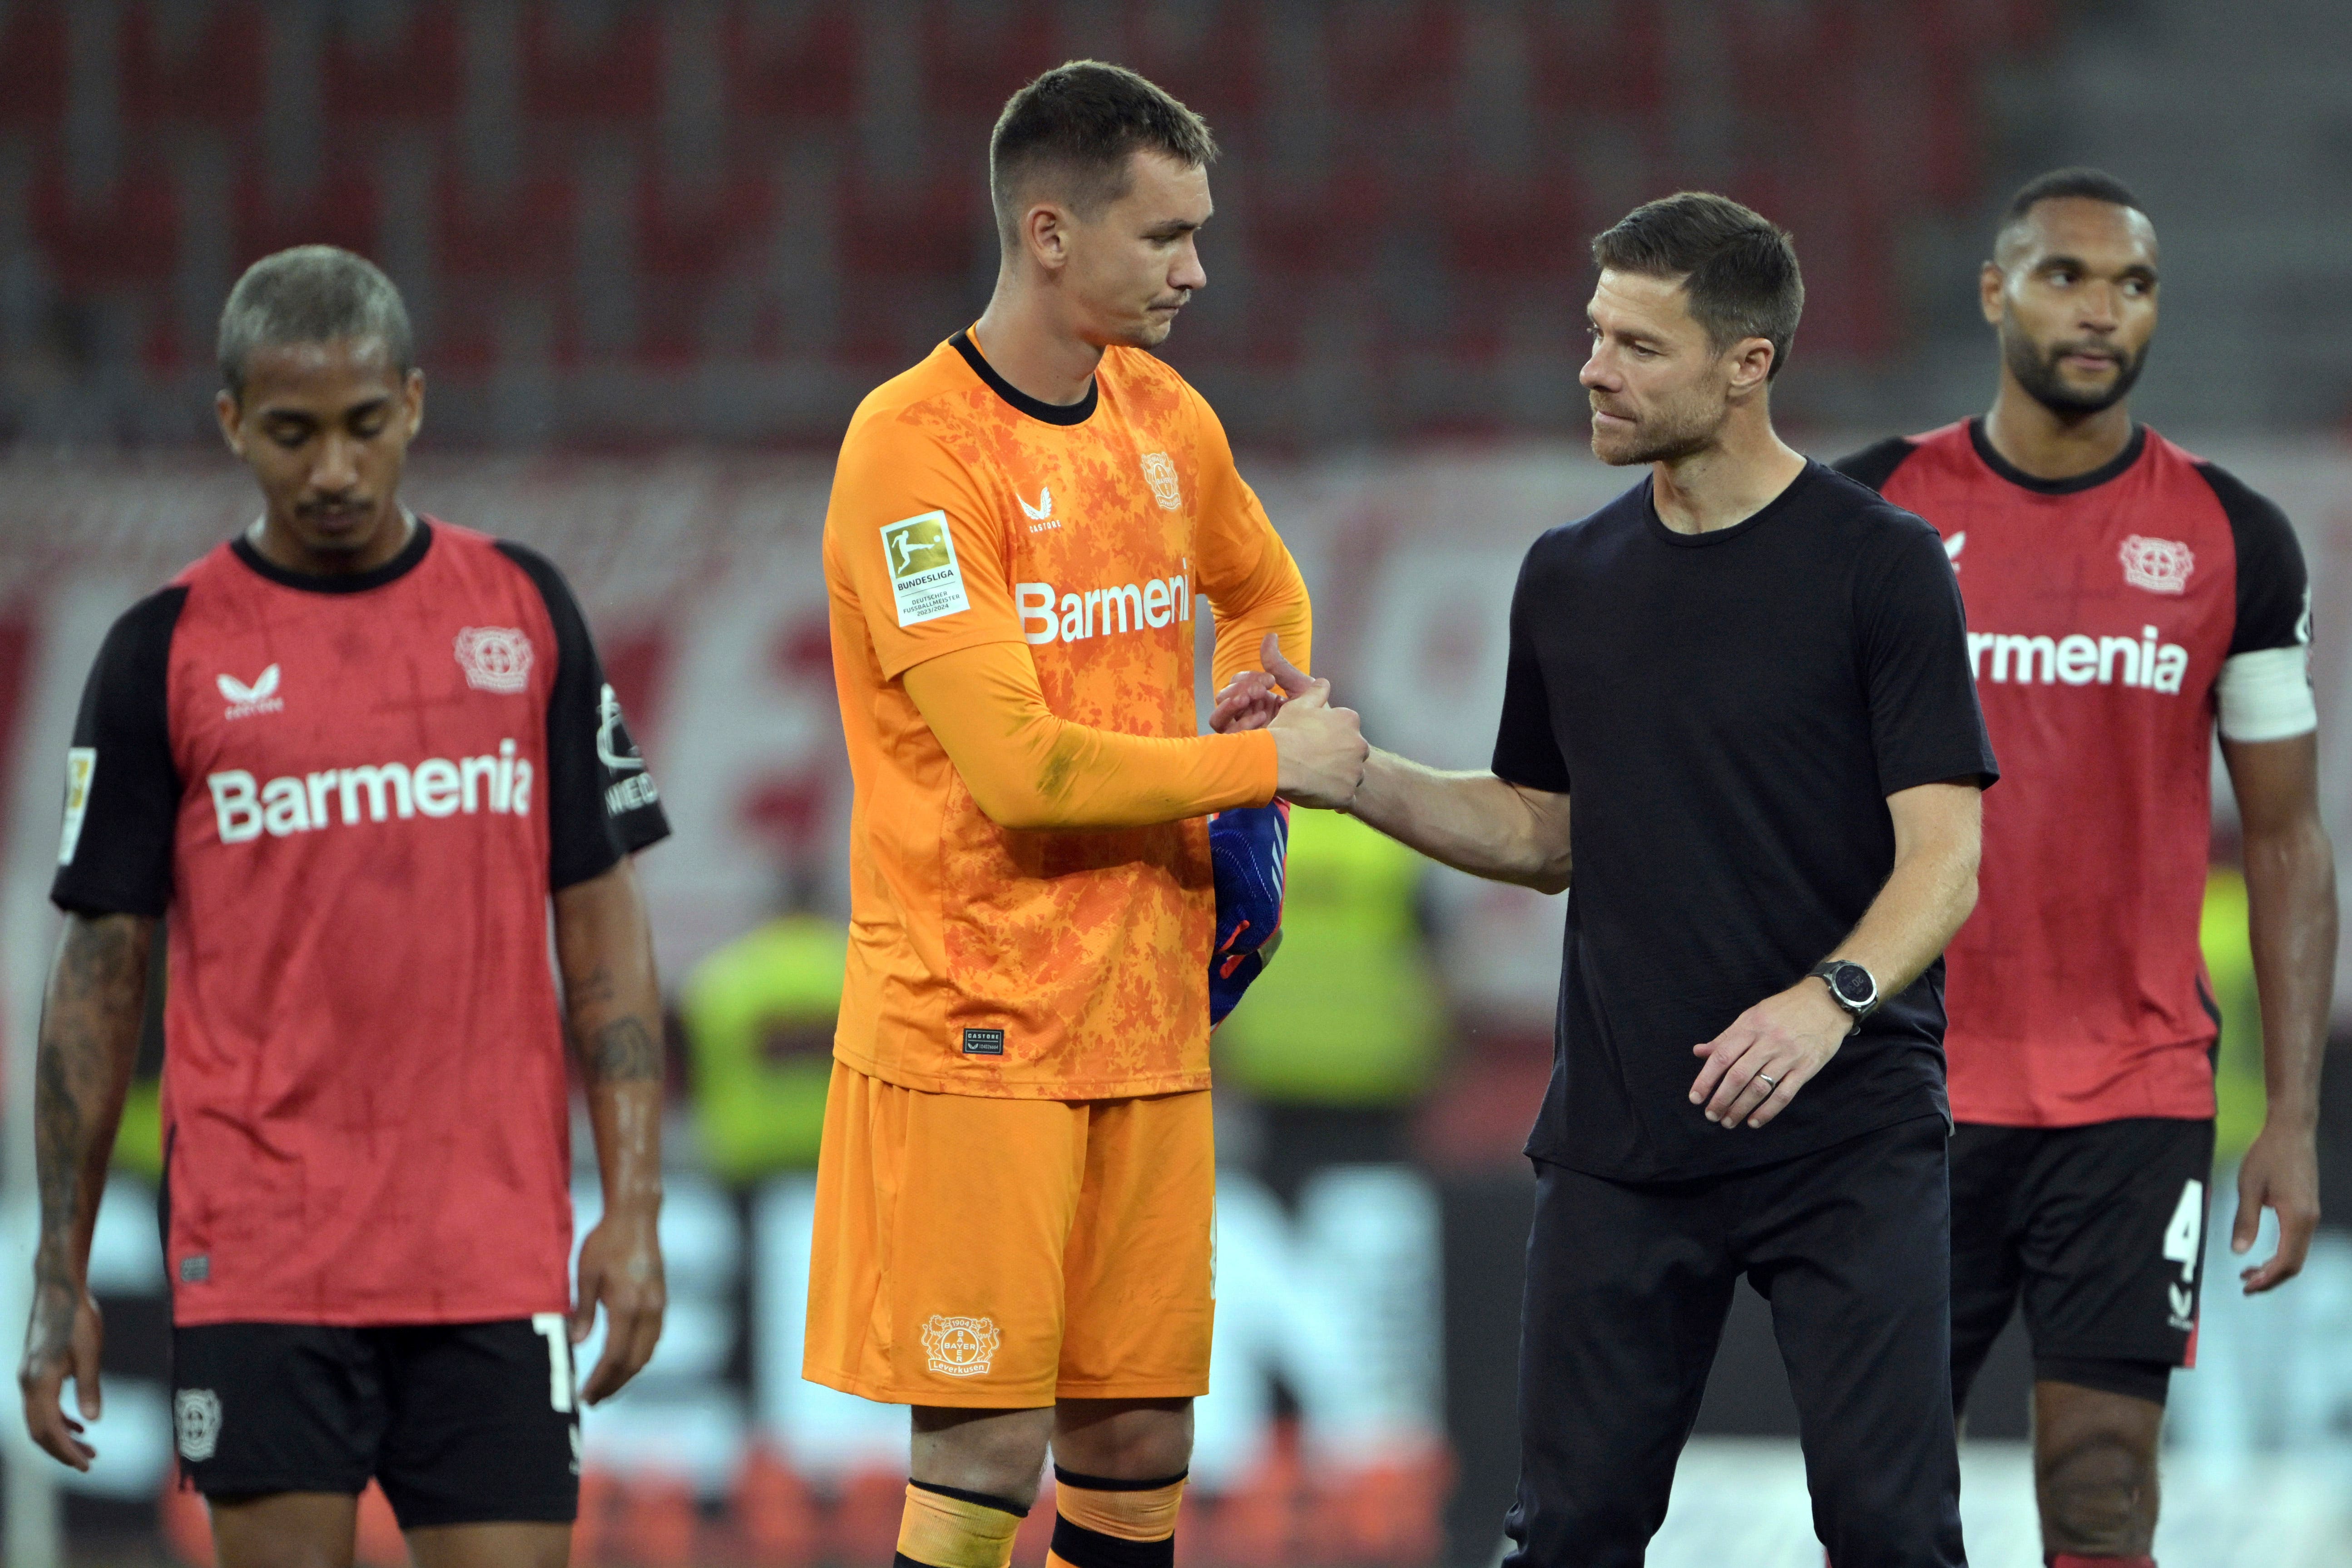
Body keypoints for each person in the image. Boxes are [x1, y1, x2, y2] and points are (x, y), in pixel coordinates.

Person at [1226, 192, 1997, 1566]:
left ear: (1744, 364)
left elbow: (1945, 861)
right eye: (1594, 334)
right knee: (1568, 1533)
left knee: (1890, 1531)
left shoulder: (1877, 567)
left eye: (1638, 345)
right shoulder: (1570, 575)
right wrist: (1352, 775)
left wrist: (1824, 1003)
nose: (1592, 367)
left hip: (1848, 1132)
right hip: (1625, 1139)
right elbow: (1542, 831)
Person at [16, 247, 672, 1568]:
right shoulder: (163, 651)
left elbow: (598, 916)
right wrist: (58, 1269)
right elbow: (99, 974)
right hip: (260, 1255)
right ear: (230, 424)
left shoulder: (525, 610)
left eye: (364, 426)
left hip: (489, 1253)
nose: (330, 470)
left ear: (415, 406)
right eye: (292, 432)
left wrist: (637, 1205)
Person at [805, 61, 1366, 1568]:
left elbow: (1260, 589)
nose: (1198, 269)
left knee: (1136, 1442)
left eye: (1199, 233)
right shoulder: (913, 452)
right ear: (1048, 234)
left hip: (1143, 1006)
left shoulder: (1162, 418)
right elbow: (1020, 772)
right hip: (974, 1017)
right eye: (1165, 235)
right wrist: (1269, 768)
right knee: (985, 1445)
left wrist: (1254, 689)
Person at [1833, 168, 2334, 1568]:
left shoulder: (2235, 541)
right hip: (1904, 1086)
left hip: (2132, 1088)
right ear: (1993, 292)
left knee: (2101, 1484)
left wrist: (2288, 1117)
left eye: (2132, 284)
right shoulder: (1871, 514)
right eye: (2063, 275)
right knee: (1877, 1495)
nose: (2100, 309)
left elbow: (2288, 837)